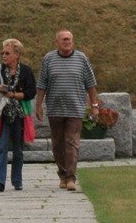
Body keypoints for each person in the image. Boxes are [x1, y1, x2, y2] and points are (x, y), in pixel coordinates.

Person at [35, 29, 100, 191]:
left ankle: (71, 178)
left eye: (69, 39)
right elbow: (42, 84)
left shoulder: (81, 59)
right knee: (57, 144)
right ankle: (63, 174)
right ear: (57, 42)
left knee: (71, 143)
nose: (67, 42)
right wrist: (38, 106)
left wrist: (94, 106)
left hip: (75, 108)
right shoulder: (49, 59)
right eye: (64, 39)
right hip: (55, 109)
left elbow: (91, 84)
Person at [0, 38, 37, 191]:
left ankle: (17, 180)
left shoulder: (26, 71)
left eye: (7, 53)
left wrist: (13, 95)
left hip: (19, 115)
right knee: (1, 147)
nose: (4, 56)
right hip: (2, 114)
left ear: (17, 54)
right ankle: (0, 181)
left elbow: (30, 93)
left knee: (18, 149)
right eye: (3, 53)